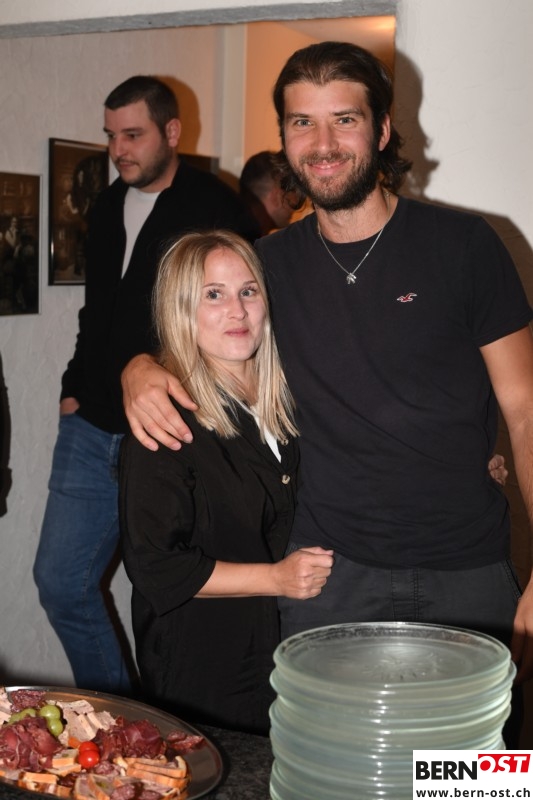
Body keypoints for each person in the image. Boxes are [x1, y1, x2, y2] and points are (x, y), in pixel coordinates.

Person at [120, 43, 533, 730]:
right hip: (328, 580)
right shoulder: (268, 265)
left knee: (477, 767)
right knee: (329, 764)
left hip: (467, 571)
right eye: (301, 123)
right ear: (283, 137)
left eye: (344, 119)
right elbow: (202, 329)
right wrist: (138, 368)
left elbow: (523, 408)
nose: (322, 144)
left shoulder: (465, 246)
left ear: (382, 129)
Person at [33, 75, 258, 695]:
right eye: (111, 136)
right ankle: (121, 717)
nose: (118, 150)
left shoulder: (215, 207)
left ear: (172, 132)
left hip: (168, 426)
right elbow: (97, 310)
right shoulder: (106, 206)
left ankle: (155, 727)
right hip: (90, 424)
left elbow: (239, 320)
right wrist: (73, 387)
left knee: (166, 592)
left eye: (132, 135)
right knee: (60, 584)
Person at [119, 229, 332, 734]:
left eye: (248, 291)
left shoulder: (288, 400)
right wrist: (276, 578)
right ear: (181, 311)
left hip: (280, 651)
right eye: (213, 295)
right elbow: (155, 567)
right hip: (204, 665)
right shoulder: (166, 421)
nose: (237, 310)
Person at [239, 150, 294, 236]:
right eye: (292, 190)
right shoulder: (250, 240)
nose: (294, 205)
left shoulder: (232, 234)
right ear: (276, 196)